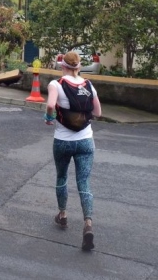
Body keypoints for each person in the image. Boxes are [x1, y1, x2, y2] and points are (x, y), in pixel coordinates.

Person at [44, 51, 103, 251]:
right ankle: (88, 223)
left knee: (62, 177)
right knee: (84, 182)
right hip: (86, 140)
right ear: (78, 66)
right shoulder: (89, 85)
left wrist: (49, 117)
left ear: (63, 65)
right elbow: (98, 112)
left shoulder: (56, 84)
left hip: (63, 140)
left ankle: (62, 214)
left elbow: (50, 105)